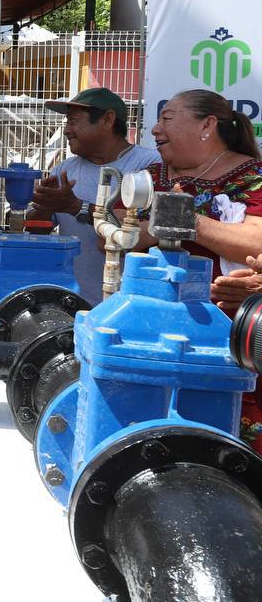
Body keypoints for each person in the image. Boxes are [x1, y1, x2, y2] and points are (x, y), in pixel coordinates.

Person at [138, 89, 262, 453]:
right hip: (152, 326)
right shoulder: (150, 175)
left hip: (232, 332)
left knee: (232, 434)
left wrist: (187, 221)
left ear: (207, 125)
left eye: (167, 119)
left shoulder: (252, 175)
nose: (155, 130)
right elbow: (113, 234)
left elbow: (255, 240)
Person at [28, 88, 161, 304]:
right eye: (66, 122)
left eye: (73, 121)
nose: (66, 130)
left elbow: (138, 231)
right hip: (73, 301)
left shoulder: (148, 166)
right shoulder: (64, 170)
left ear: (107, 119)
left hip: (130, 303)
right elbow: (36, 228)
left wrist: (75, 207)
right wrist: (44, 205)